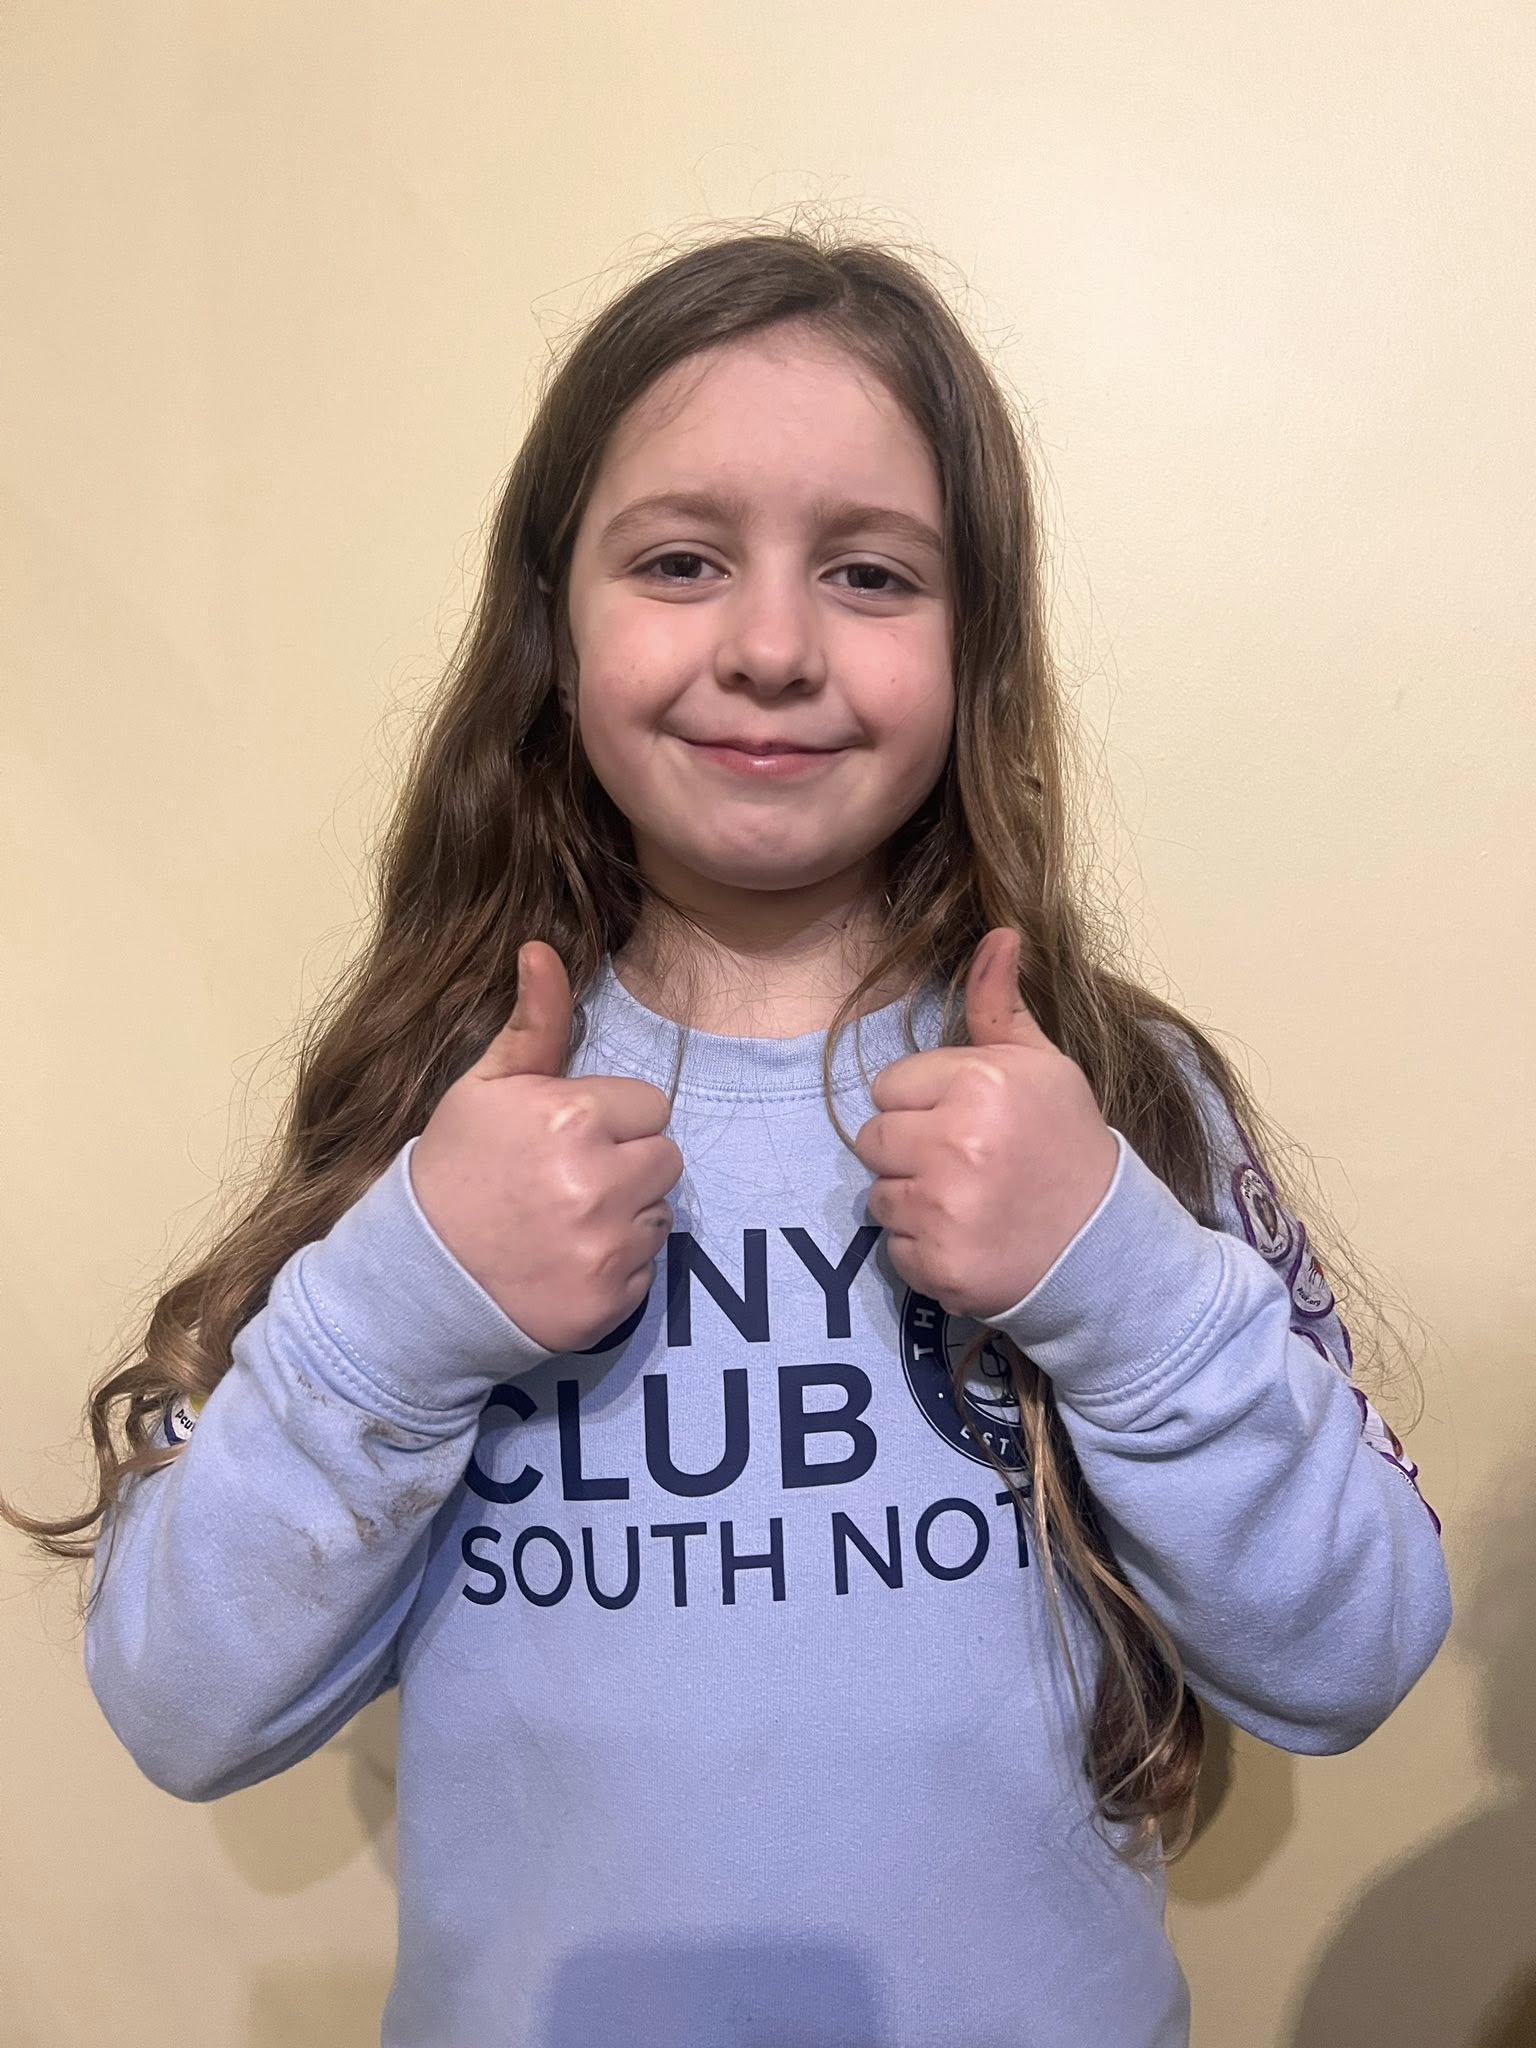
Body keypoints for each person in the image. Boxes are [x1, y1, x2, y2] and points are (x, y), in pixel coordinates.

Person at [2, 227, 1451, 2048]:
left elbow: (1355, 1656)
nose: (771, 649)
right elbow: (181, 1707)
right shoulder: (437, 1105)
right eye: (681, 561)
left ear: (977, 646)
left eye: (871, 573)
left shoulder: (1114, 1097)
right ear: (555, 628)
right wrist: (395, 1309)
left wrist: (1122, 1278)